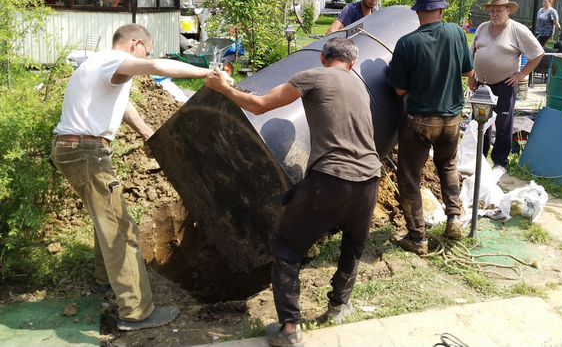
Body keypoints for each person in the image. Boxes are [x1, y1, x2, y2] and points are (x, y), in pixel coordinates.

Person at [205, 38, 380, 347]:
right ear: (352, 63)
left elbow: (260, 106)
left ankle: (289, 330)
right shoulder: (361, 87)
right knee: (353, 245)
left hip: (331, 179)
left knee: (286, 250)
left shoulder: (313, 75)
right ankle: (339, 305)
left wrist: (225, 89)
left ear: (325, 57)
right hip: (369, 180)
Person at [50, 24, 216, 330]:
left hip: (75, 150)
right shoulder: (113, 60)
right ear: (135, 44)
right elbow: (155, 67)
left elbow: (122, 106)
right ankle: (137, 311)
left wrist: (148, 133)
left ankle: (105, 282)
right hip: (87, 152)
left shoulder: (98, 66)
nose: (146, 57)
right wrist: (205, 74)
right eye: (145, 50)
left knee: (107, 218)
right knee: (120, 229)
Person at [388, 0, 473, 256]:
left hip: (419, 120)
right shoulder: (457, 33)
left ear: (418, 12)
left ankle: (417, 237)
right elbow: (468, 70)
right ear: (441, 9)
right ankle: (454, 219)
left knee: (410, 177)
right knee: (448, 165)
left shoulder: (407, 43)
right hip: (451, 119)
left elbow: (399, 90)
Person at [470, 0, 544, 169]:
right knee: (480, 122)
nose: (495, 14)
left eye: (499, 10)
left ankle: (500, 161)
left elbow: (538, 53)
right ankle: (478, 159)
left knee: (503, 122)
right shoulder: (482, 27)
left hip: (504, 84)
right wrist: (472, 77)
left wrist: (521, 74)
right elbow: (471, 53)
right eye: (492, 11)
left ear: (508, 10)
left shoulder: (518, 30)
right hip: (482, 84)